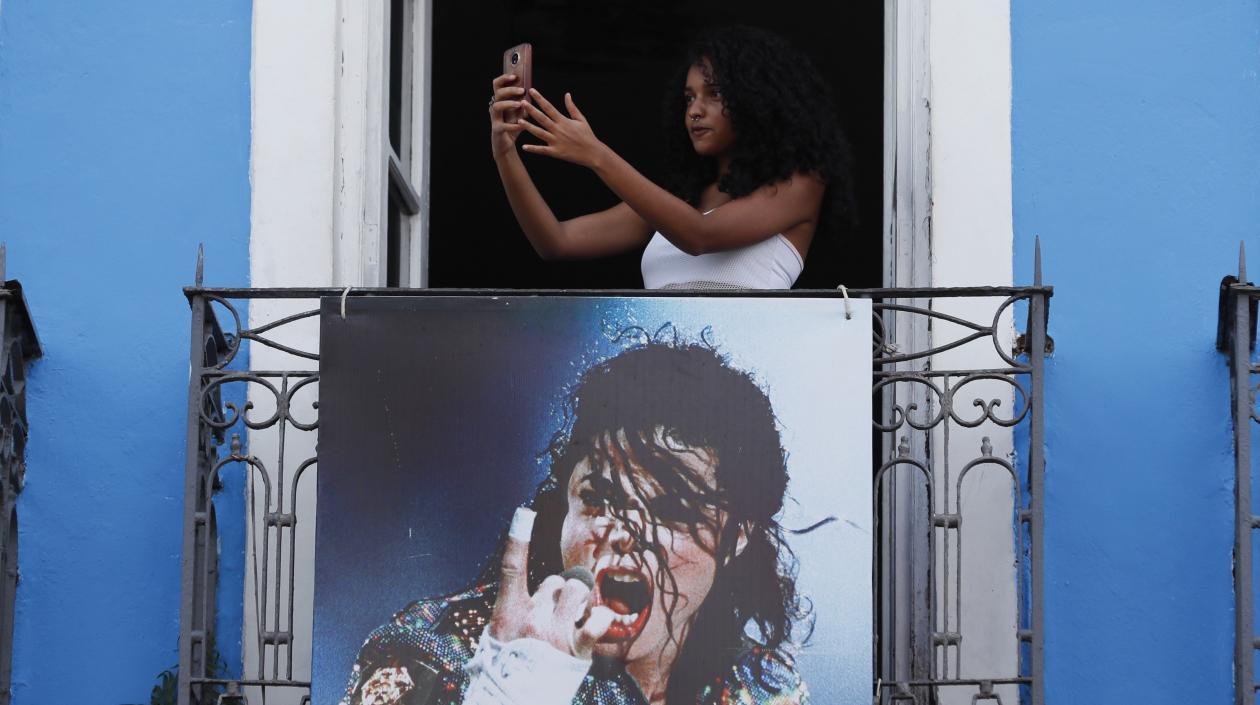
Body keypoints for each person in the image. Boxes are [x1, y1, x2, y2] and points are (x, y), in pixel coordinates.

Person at [340, 341, 812, 705]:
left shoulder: (762, 688)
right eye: (600, 499)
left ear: (736, 538)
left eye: (671, 511)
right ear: (564, 502)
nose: (624, 534)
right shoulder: (429, 648)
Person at [488, 26, 852, 290]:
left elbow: (699, 235)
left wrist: (596, 154)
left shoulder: (800, 185)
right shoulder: (677, 200)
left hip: (745, 387)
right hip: (661, 382)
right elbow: (556, 241)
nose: (695, 110)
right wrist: (504, 152)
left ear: (759, 100)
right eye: (689, 97)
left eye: (714, 93)